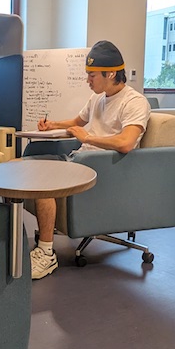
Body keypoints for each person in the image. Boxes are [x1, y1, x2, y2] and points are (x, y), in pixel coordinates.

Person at [29, 40, 150, 280]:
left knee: (41, 181)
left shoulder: (135, 102)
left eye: (92, 75)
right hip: (82, 159)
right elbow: (77, 122)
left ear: (111, 73)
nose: (88, 81)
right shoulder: (98, 98)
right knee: (24, 167)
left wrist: (88, 137)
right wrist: (53, 124)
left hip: (102, 169)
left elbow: (126, 142)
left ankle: (46, 254)